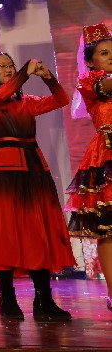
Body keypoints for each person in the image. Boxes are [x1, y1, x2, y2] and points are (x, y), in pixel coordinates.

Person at [0, 51, 75, 321]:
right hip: (5, 173)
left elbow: (62, 100)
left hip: (33, 169)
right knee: (5, 233)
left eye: (11, 65)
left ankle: (44, 300)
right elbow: (1, 94)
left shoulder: (26, 102)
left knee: (37, 231)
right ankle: (7, 298)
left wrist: (49, 78)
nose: (8, 69)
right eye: (2, 66)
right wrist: (24, 74)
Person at [66, 23, 112, 314]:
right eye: (105, 53)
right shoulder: (89, 81)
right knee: (109, 230)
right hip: (107, 158)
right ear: (91, 61)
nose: (111, 56)